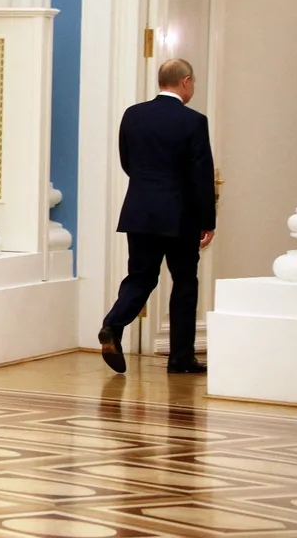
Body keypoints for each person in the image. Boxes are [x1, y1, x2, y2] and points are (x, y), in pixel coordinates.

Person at [98, 58, 216, 375]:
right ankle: (181, 358)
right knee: (184, 282)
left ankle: (113, 324)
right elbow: (201, 175)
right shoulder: (194, 121)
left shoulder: (133, 115)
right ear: (186, 81)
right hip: (180, 216)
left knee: (140, 277)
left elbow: (127, 162)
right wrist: (208, 220)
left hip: (139, 211)